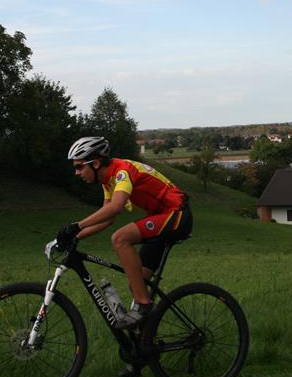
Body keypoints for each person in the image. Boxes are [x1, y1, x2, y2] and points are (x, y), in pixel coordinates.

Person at [56, 136, 193, 331]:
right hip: (161, 217)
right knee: (137, 282)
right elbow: (107, 218)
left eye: (79, 167)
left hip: (176, 213)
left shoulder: (122, 171)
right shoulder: (107, 181)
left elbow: (116, 207)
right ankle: (146, 339)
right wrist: (75, 237)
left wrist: (77, 226)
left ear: (95, 163)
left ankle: (144, 305)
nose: (76, 172)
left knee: (120, 238)